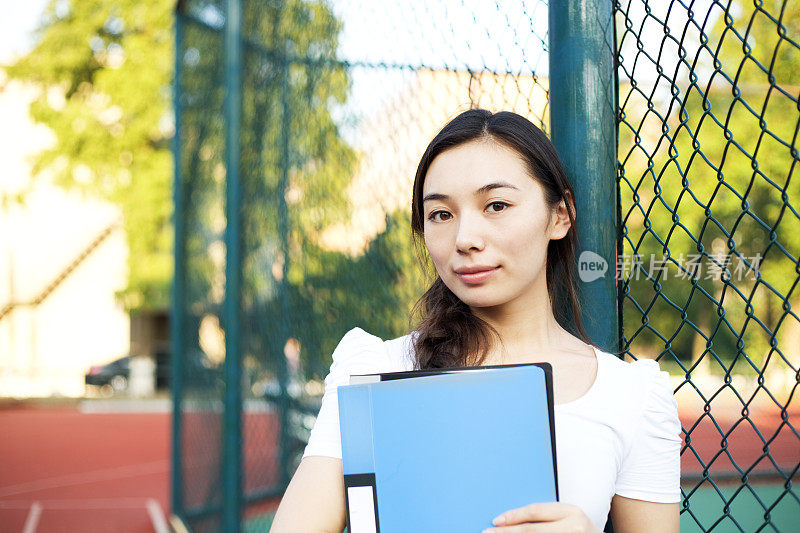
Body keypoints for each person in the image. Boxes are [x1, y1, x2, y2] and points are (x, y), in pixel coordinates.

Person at [270, 109, 681, 532]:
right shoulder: (370, 373)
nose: (465, 239)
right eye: (441, 215)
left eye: (496, 205)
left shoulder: (633, 396)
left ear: (560, 215)